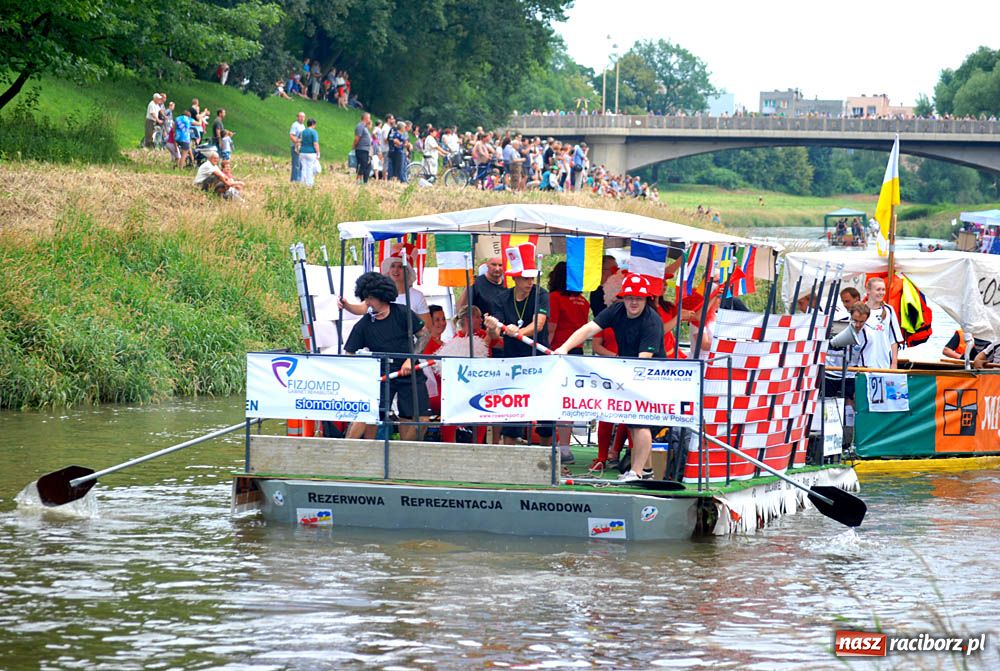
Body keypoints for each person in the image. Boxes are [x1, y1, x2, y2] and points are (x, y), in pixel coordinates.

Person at [554, 274, 665, 482]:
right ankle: (646, 471)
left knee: (640, 422)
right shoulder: (616, 310)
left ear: (646, 300)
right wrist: (564, 348)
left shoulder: (652, 322)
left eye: (639, 298)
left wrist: (621, 378)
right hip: (627, 372)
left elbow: (644, 360)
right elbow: (589, 328)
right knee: (633, 422)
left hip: (650, 374)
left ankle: (637, 472)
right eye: (629, 297)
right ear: (623, 298)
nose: (633, 302)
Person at [343, 272, 429, 441]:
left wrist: (410, 359)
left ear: (382, 296)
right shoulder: (364, 324)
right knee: (369, 415)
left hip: (409, 371)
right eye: (365, 298)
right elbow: (349, 354)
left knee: (421, 419)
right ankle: (346, 450)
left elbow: (424, 335)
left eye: (370, 298)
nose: (367, 302)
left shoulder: (402, 312)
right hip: (381, 375)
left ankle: (403, 452)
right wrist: (363, 373)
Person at [483, 242, 552, 447]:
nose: (530, 282)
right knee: (512, 414)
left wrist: (518, 332)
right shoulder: (502, 298)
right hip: (514, 362)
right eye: (525, 278)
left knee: (546, 415)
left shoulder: (541, 294)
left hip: (539, 361)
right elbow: (495, 333)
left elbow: (539, 324)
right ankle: (507, 455)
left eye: (531, 278)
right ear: (515, 278)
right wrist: (492, 327)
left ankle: (547, 456)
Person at [547, 261, 591, 354]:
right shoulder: (584, 301)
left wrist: (545, 349)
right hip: (578, 347)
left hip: (558, 348)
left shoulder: (554, 297)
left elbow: (551, 328)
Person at [858, 277, 903, 369]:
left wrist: (894, 364)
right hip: (864, 364)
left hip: (884, 364)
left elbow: (894, 340)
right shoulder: (860, 310)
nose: (881, 293)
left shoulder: (889, 310)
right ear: (868, 290)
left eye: (883, 290)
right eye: (878, 290)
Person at [298, 118, 320, 187]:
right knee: (310, 168)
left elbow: (300, 141)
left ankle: (302, 183)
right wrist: (318, 153)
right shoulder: (314, 132)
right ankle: (309, 184)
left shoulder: (303, 132)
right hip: (311, 152)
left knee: (303, 168)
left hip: (302, 152)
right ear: (313, 124)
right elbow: (315, 144)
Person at [353, 112, 372, 183]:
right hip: (361, 148)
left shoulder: (364, 127)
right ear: (366, 118)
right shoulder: (360, 126)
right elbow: (357, 138)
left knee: (364, 165)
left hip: (365, 149)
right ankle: (358, 179)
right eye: (369, 118)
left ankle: (362, 180)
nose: (370, 120)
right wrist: (354, 146)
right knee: (363, 164)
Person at [289, 112, 305, 182]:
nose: (302, 118)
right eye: (300, 117)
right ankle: (295, 180)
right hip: (295, 147)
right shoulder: (295, 125)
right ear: (297, 117)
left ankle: (299, 179)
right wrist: (297, 142)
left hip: (301, 147)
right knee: (296, 164)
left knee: (301, 164)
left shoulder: (303, 126)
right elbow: (291, 135)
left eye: (303, 117)